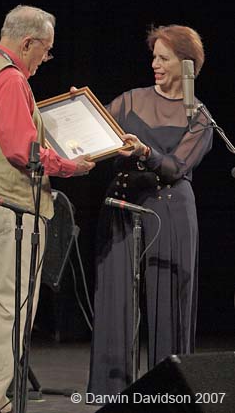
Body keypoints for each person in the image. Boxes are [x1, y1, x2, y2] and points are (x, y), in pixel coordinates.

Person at [0, 4, 95, 413]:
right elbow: (21, 150)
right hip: (7, 205)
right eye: (44, 51)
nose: (45, 60)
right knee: (12, 305)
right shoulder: (10, 79)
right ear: (27, 42)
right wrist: (70, 167)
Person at [87, 25, 213, 399]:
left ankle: (167, 392)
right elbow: (96, 134)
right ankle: (110, 393)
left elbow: (175, 168)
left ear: (186, 65)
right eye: (153, 57)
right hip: (124, 206)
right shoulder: (130, 100)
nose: (154, 64)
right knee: (115, 299)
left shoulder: (200, 116)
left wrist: (144, 152)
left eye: (164, 58)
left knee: (170, 300)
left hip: (171, 212)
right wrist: (80, 114)